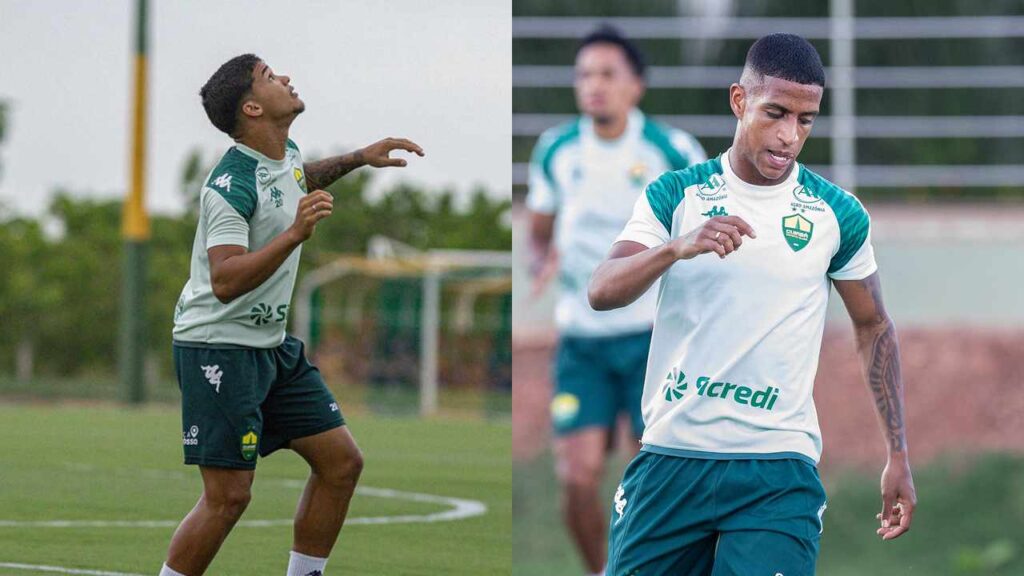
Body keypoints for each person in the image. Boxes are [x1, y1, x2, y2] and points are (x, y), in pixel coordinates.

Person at [589, 34, 916, 575]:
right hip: (672, 459)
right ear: (740, 101)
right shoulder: (677, 194)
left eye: (806, 120)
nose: (790, 136)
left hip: (777, 472)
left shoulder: (838, 214)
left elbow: (873, 327)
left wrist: (898, 453)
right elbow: (602, 289)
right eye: (776, 113)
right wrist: (675, 248)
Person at [161, 54, 424, 576]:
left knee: (341, 463)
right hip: (218, 346)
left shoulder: (286, 156)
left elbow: (296, 178)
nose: (285, 77)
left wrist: (359, 157)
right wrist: (294, 234)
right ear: (253, 107)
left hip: (272, 347)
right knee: (229, 496)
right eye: (269, 77)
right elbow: (226, 279)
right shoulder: (227, 187)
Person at [525, 26, 705, 576]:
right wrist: (542, 259)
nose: (593, 86)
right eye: (583, 75)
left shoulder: (672, 150)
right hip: (581, 341)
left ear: (636, 85)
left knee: (649, 473)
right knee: (576, 476)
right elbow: (539, 231)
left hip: (655, 338)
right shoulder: (556, 148)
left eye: (607, 74)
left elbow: (702, 232)